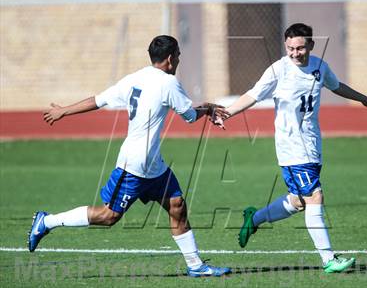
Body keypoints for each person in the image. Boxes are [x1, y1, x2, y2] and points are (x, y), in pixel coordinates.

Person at [28, 35, 231, 277]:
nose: (178, 60)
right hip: (133, 165)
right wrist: (208, 108)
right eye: (178, 56)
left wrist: (64, 111)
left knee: (177, 205)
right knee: (108, 216)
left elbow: (98, 100)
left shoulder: (135, 78)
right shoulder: (168, 82)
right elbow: (188, 116)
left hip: (153, 165)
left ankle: (196, 266)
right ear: (169, 59)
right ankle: (46, 221)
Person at [215, 23, 367, 273]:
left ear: (311, 46)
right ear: (285, 46)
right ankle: (328, 259)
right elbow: (253, 95)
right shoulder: (278, 70)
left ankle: (255, 218)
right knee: (315, 196)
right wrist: (226, 113)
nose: (295, 53)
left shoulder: (319, 67)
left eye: (300, 47)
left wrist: (363, 99)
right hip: (293, 148)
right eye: (290, 48)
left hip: (312, 145)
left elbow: (337, 86)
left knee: (299, 201)